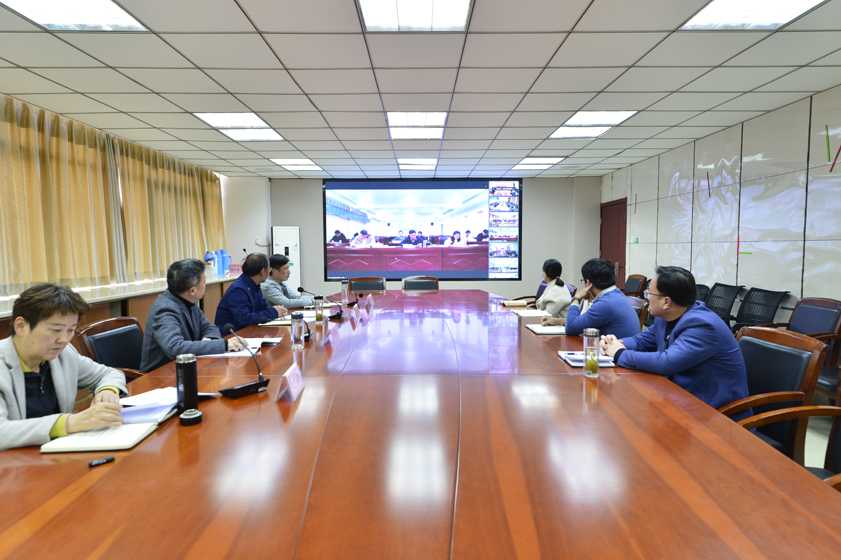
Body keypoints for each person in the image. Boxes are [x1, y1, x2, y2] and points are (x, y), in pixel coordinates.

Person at [600, 267, 752, 421]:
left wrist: (619, 353)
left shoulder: (702, 325)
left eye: (649, 293)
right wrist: (611, 344)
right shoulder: (666, 316)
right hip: (680, 401)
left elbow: (666, 363)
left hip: (717, 417)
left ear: (666, 302)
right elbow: (642, 340)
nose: (647, 298)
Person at [1, 283, 127, 451]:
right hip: (13, 463)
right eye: (56, 330)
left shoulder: (63, 354)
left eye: (70, 330)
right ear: (21, 326)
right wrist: (69, 423)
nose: (64, 340)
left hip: (57, 453)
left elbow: (108, 373)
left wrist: (108, 390)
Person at [140, 259, 244, 372]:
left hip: (188, 367)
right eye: (204, 282)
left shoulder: (187, 300)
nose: (205, 286)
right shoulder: (164, 309)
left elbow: (210, 327)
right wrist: (223, 345)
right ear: (192, 290)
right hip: (161, 375)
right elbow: (175, 348)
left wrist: (209, 341)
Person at [543, 258, 639, 338]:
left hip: (616, 354)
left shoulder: (605, 304)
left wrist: (577, 298)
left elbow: (570, 328)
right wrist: (556, 321)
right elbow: (582, 321)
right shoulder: (616, 295)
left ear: (588, 283)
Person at [215, 253, 288, 332]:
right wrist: (274, 312)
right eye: (269, 269)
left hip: (250, 331)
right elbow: (244, 319)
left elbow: (263, 308)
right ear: (263, 271)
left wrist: (278, 310)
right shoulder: (238, 290)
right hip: (233, 335)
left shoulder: (255, 285)